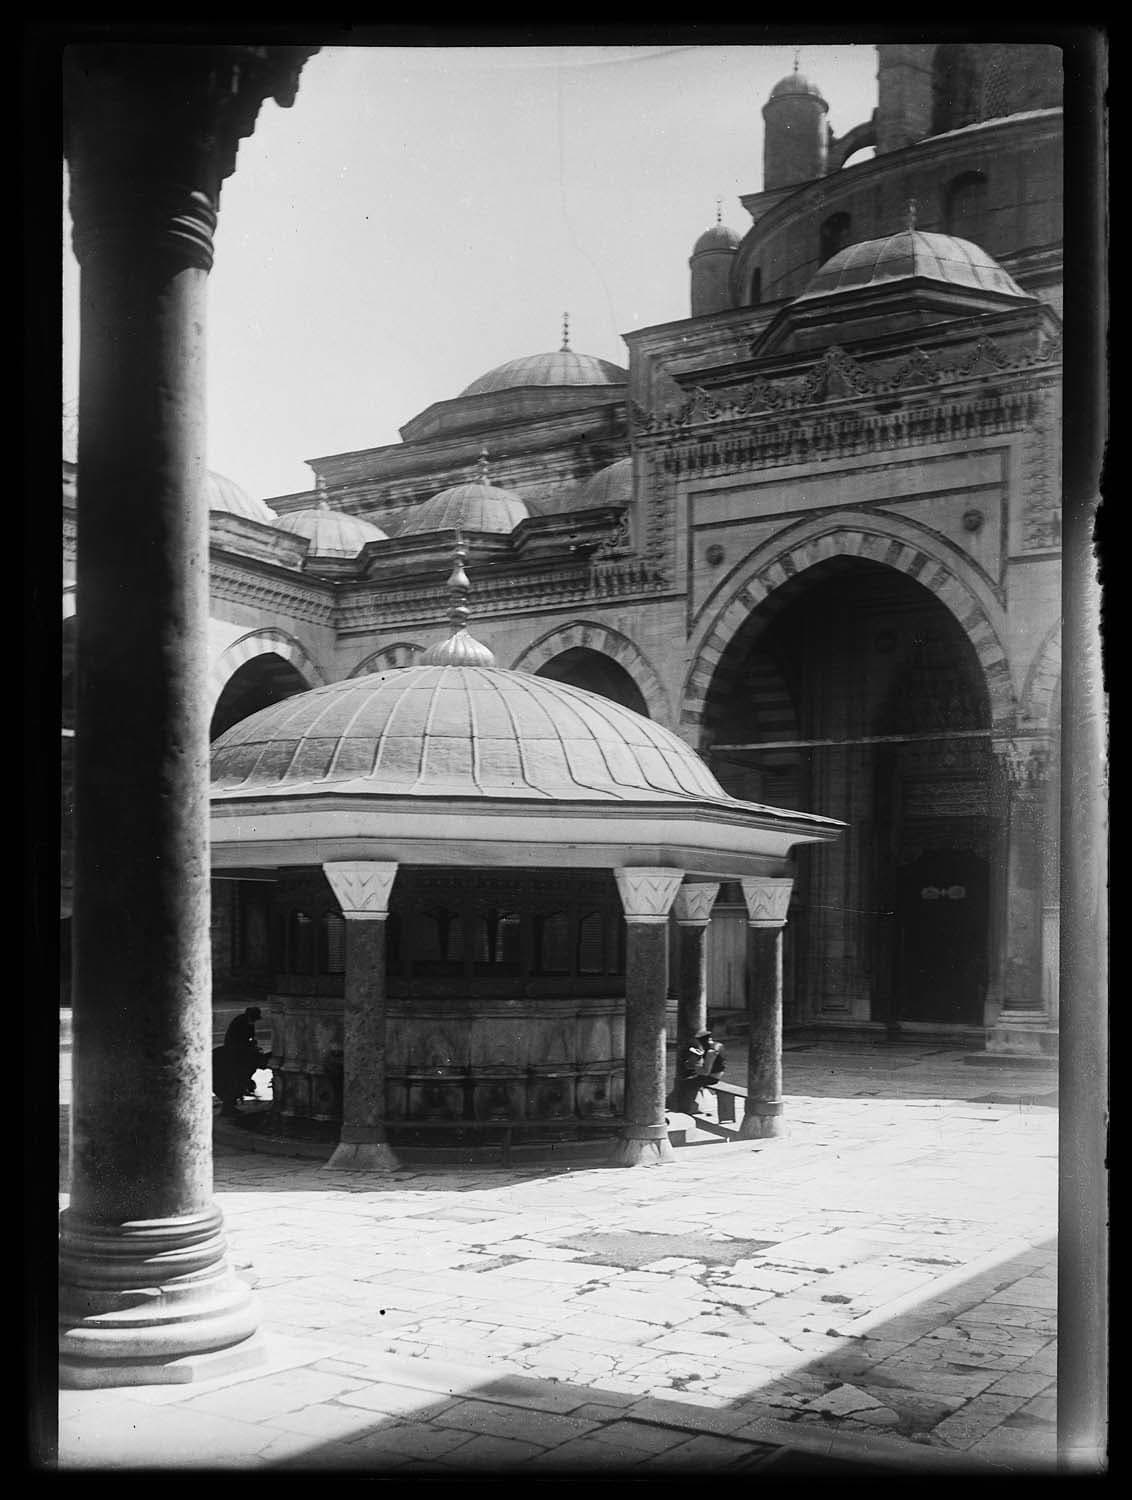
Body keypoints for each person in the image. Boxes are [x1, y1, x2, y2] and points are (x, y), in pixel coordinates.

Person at [213, 1006, 271, 1117]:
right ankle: (228, 1107)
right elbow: (236, 1040)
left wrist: (252, 1044)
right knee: (234, 1082)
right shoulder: (240, 1022)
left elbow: (249, 1039)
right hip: (234, 1053)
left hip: (241, 1052)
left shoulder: (249, 1023)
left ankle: (230, 1105)